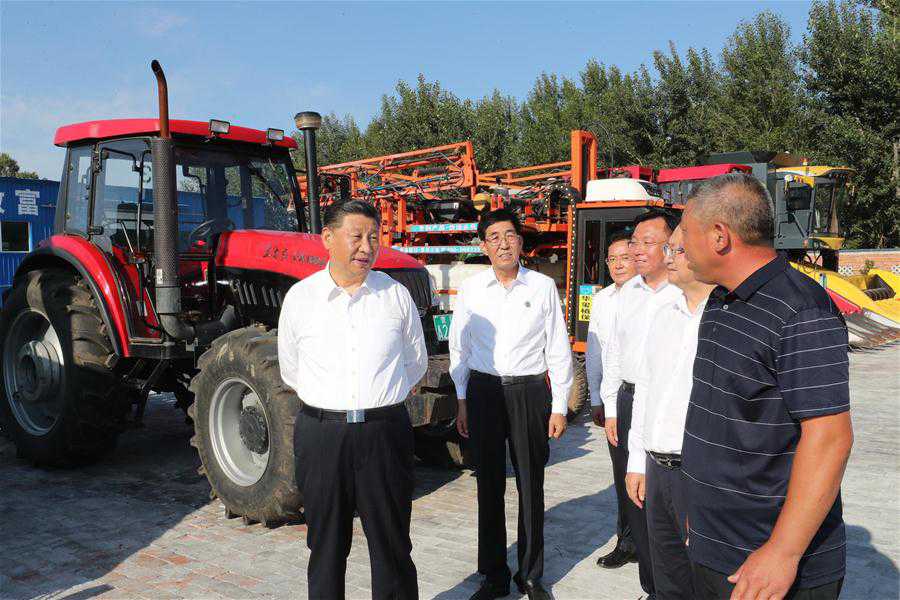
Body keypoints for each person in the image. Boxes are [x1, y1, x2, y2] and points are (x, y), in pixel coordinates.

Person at [680, 173, 853, 600]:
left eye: (685, 232)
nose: (680, 245)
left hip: (768, 568)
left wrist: (782, 551)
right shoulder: (722, 301)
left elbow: (830, 438)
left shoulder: (802, 311)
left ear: (719, 237)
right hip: (714, 545)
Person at [277, 200, 428, 600]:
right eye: (357, 235)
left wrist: (379, 399)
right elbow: (291, 369)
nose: (367, 246)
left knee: (393, 544)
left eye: (374, 237)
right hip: (322, 435)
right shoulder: (300, 298)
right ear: (328, 238)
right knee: (325, 546)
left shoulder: (395, 296)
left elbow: (416, 363)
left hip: (384, 432)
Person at [449, 208, 573, 600]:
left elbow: (557, 346)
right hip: (484, 393)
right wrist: (463, 399)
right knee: (488, 485)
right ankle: (494, 576)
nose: (503, 244)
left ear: (521, 242)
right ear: (484, 246)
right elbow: (460, 348)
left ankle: (532, 576)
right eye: (494, 237)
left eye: (510, 235)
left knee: (530, 484)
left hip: (528, 392)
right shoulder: (471, 290)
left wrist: (559, 406)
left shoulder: (540, 288)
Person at [624, 225, 715, 600]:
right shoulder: (665, 315)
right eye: (670, 248)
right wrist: (636, 460)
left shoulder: (724, 320)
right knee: (667, 581)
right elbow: (645, 389)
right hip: (657, 471)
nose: (670, 256)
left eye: (678, 249)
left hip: (697, 475)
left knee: (706, 580)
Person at [599, 208, 682, 598]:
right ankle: (650, 585)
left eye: (648, 242)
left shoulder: (684, 293)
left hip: (669, 406)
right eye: (635, 241)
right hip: (629, 399)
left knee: (666, 501)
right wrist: (613, 408)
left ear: (670, 246)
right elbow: (615, 353)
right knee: (633, 495)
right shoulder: (627, 294)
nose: (637, 250)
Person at [585, 229, 637, 566]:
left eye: (625, 257)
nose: (618, 264)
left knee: (648, 473)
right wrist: (596, 397)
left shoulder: (649, 296)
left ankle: (652, 546)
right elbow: (595, 352)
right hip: (613, 396)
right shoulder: (602, 299)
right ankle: (628, 541)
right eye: (613, 259)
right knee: (621, 472)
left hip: (639, 394)